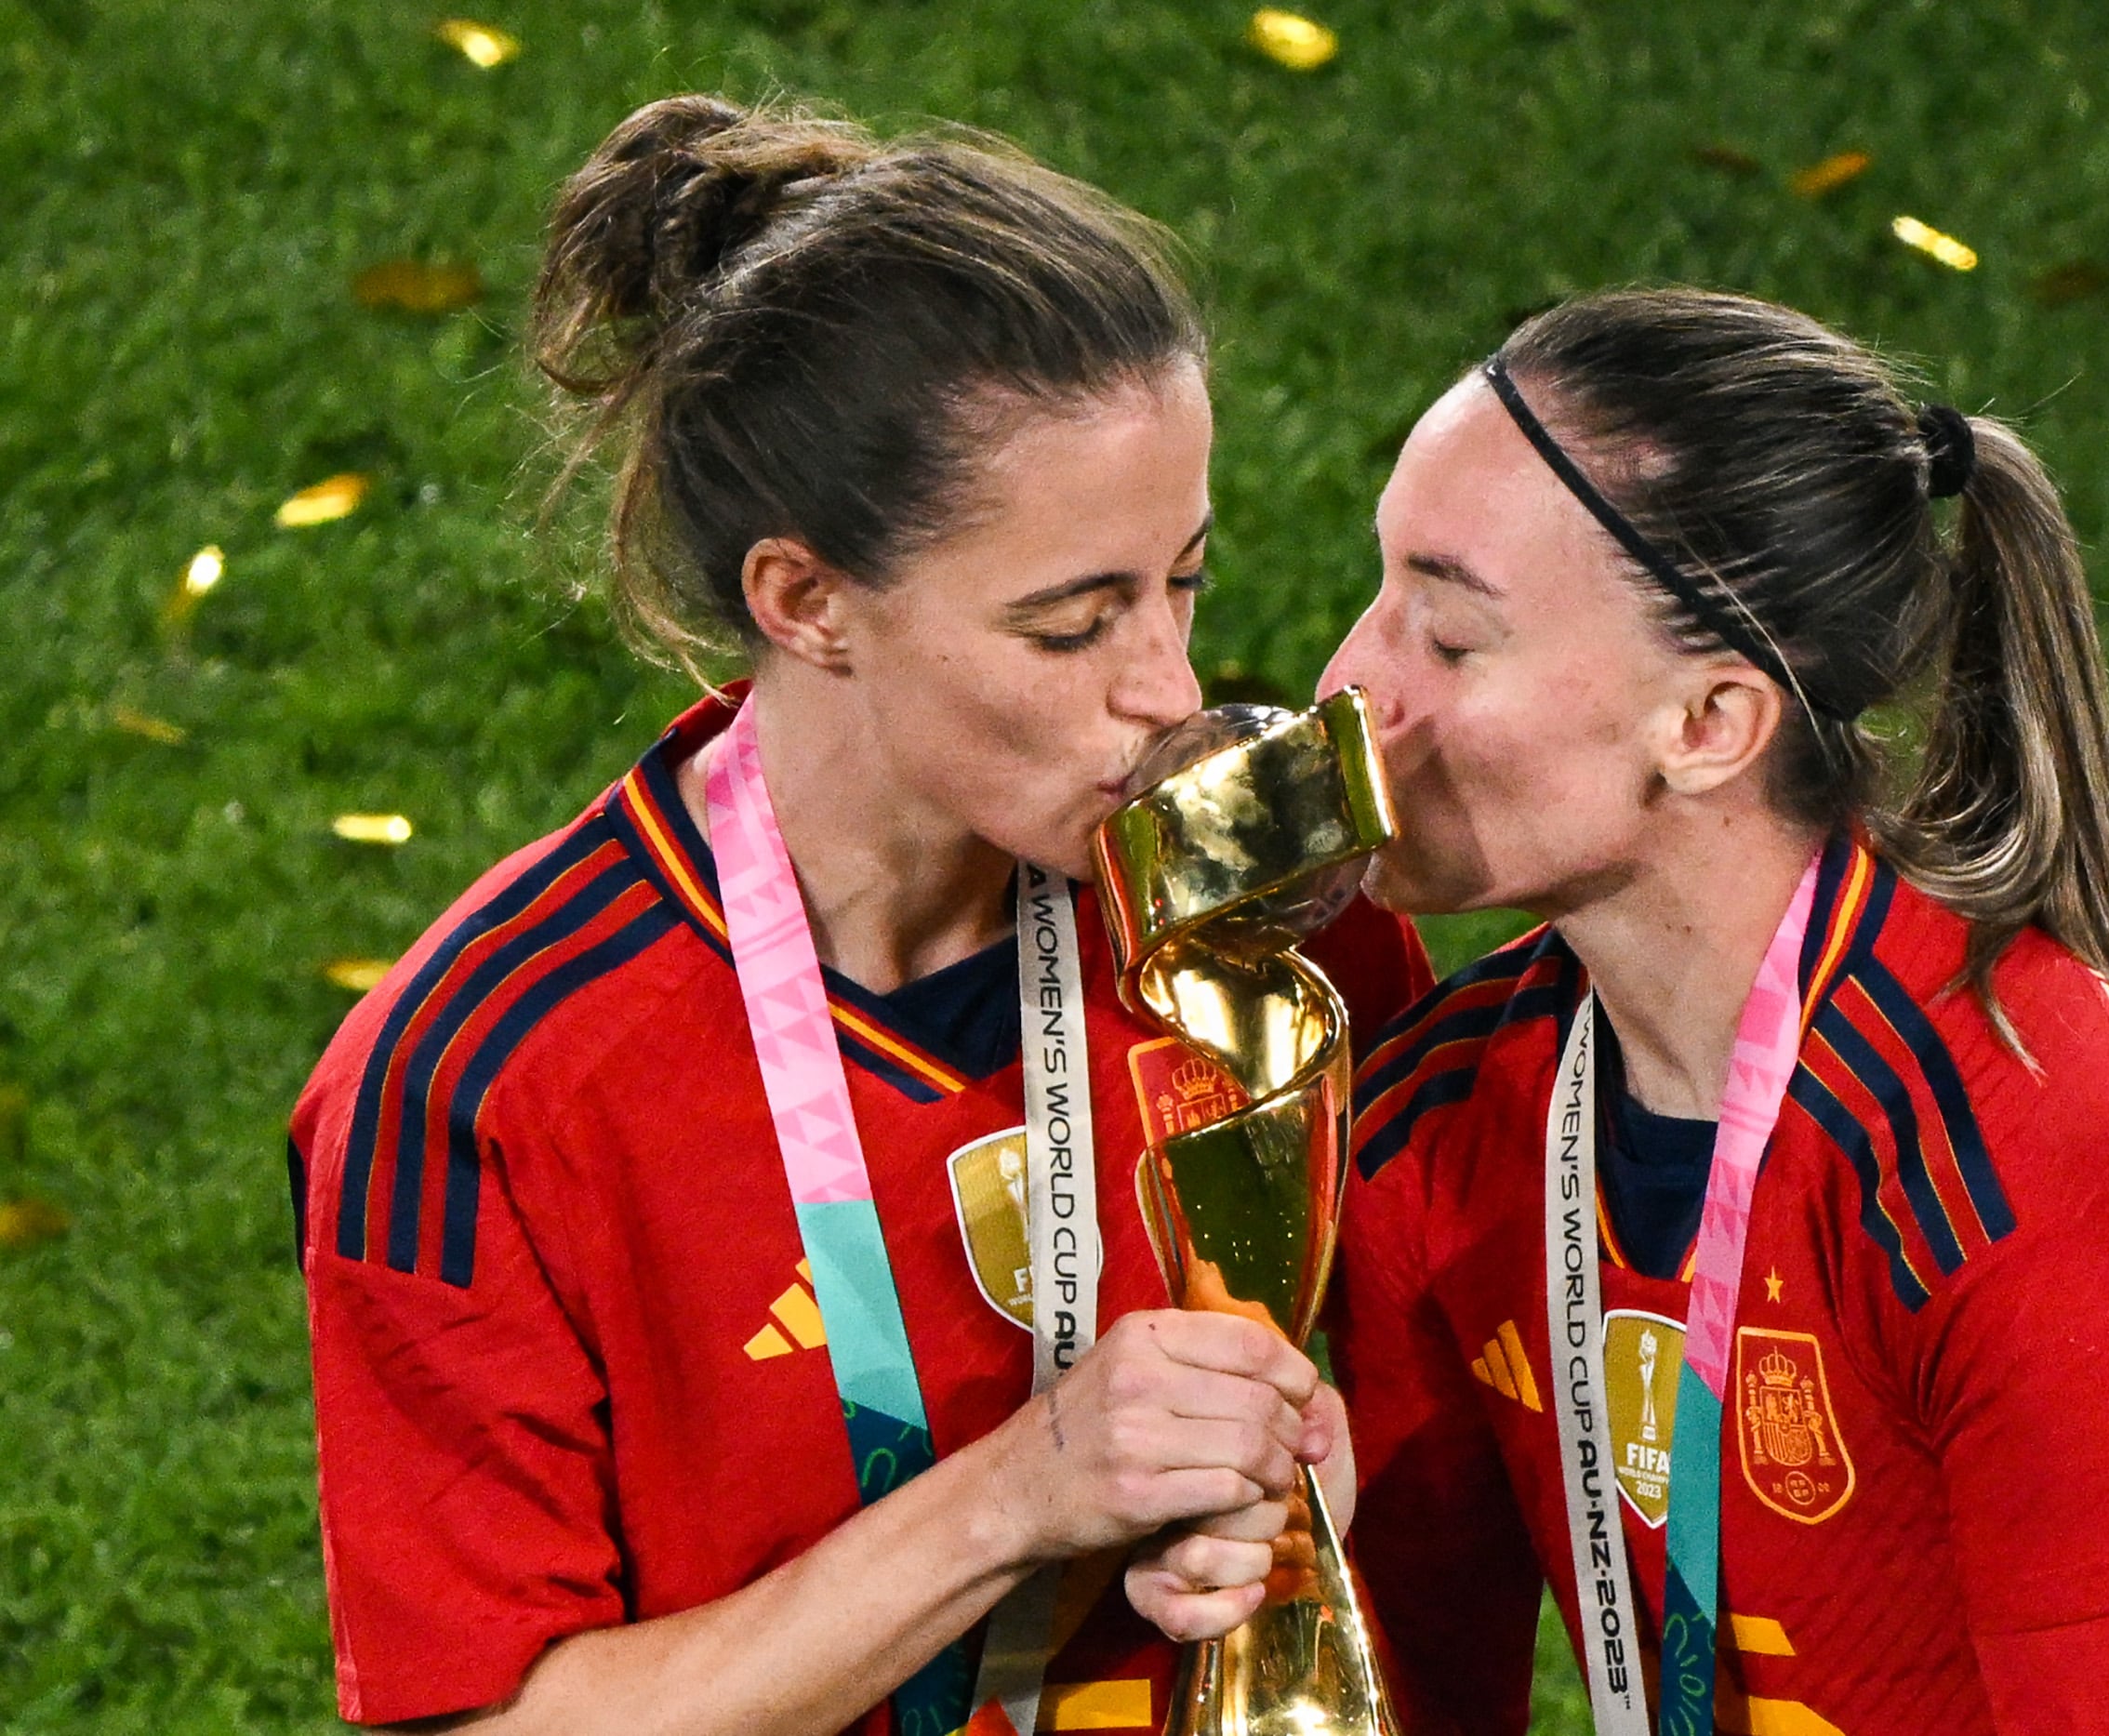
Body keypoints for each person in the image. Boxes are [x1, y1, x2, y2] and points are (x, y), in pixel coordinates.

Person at [287, 95, 1428, 1735]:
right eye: (1069, 624)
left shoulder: (1253, 911)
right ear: (806, 602)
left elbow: (1429, 1383)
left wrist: (1291, 1477)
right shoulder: (479, 1085)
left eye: (1182, 578)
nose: (1168, 689)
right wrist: (1021, 1494)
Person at [1306, 289, 2109, 1735]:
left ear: (1710, 726)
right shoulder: (1451, 1125)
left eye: (1449, 639)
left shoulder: (2031, 1167)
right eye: (1380, 587)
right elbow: (1407, 1695)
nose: (1349, 685)